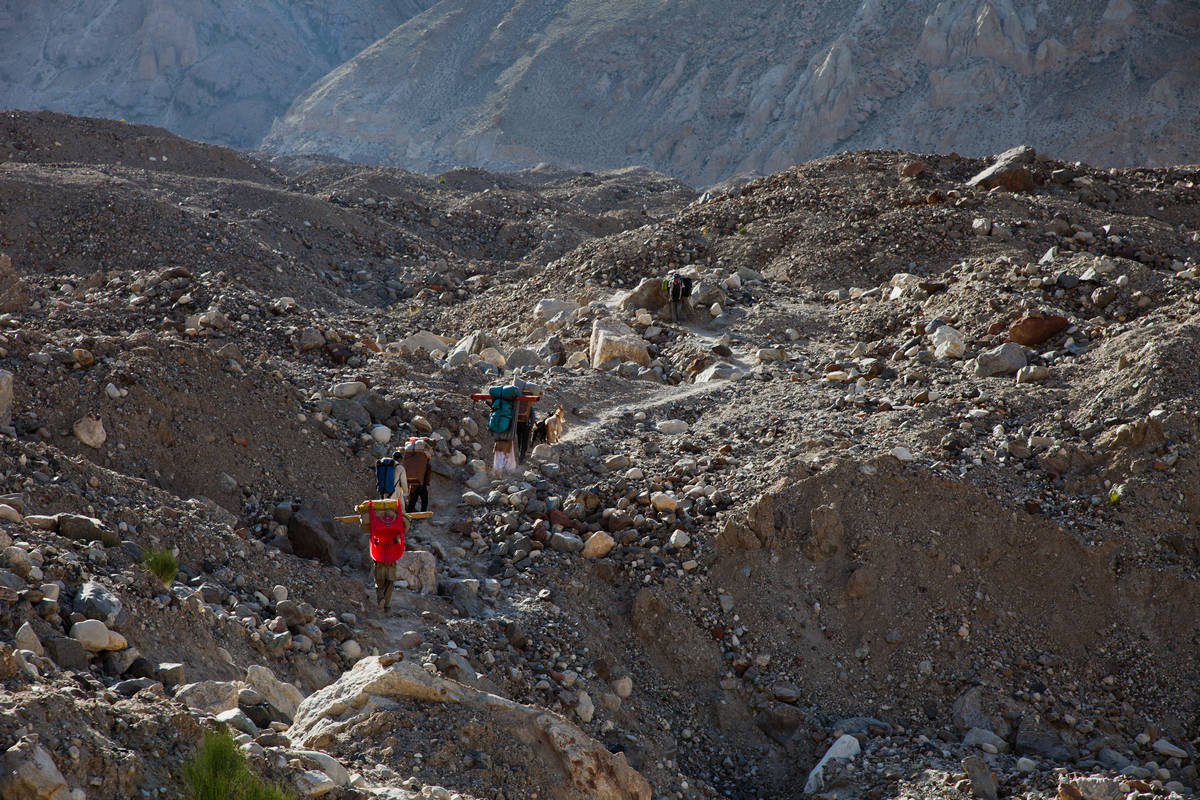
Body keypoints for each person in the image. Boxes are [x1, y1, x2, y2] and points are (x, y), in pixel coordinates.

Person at [402, 438, 432, 512]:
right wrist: (427, 483)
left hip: (412, 482)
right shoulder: (427, 465)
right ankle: (423, 514)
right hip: (422, 483)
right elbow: (427, 475)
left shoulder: (412, 460)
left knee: (413, 499)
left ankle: (409, 514)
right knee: (424, 500)